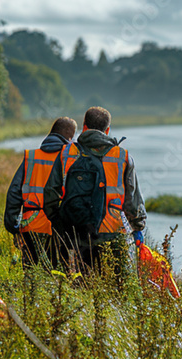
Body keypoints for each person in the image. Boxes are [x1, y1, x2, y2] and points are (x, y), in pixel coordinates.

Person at [43, 106, 146, 277]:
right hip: (112, 232)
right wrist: (138, 226)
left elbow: (50, 194)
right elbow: (132, 201)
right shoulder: (123, 156)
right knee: (116, 288)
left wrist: (60, 222)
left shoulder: (66, 153)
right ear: (107, 130)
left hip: (77, 232)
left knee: (81, 285)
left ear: (84, 126)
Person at [3, 116, 77, 269]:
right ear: (69, 138)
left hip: (30, 227)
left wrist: (14, 227)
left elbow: (14, 194)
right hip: (58, 228)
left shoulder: (31, 157)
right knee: (59, 276)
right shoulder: (70, 160)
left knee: (31, 277)